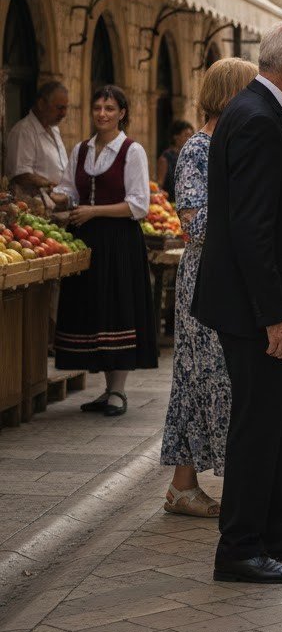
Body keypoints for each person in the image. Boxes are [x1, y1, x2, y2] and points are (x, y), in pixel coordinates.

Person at [192, 18, 282, 585]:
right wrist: (274, 315)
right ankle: (239, 546)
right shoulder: (255, 118)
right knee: (256, 423)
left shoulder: (268, 113)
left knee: (278, 418)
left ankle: (274, 526)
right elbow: (250, 229)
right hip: (254, 310)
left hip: (264, 305)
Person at [160, 59, 282, 517]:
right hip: (211, 279)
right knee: (206, 380)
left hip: (238, 274)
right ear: (232, 94)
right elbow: (194, 224)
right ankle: (202, 487)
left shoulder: (241, 139)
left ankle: (204, 486)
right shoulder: (197, 149)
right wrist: (247, 209)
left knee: (220, 381)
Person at [53, 86, 158, 416]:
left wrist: (93, 211)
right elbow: (69, 189)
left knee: (117, 309)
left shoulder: (132, 151)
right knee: (94, 310)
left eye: (110, 108)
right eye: (98, 107)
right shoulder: (81, 149)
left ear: (121, 113)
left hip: (119, 241)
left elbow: (138, 205)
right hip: (86, 240)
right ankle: (106, 389)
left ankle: (118, 391)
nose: (102, 113)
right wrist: (56, 198)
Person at [4, 81, 70, 203]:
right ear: (41, 104)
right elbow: (20, 175)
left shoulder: (54, 129)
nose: (64, 114)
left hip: (58, 204)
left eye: (66, 108)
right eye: (60, 108)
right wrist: (49, 184)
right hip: (35, 206)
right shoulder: (23, 131)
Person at [156, 120, 195, 203]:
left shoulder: (189, 157)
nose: (190, 139)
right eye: (186, 135)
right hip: (170, 204)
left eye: (191, 136)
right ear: (176, 136)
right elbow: (159, 185)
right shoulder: (165, 158)